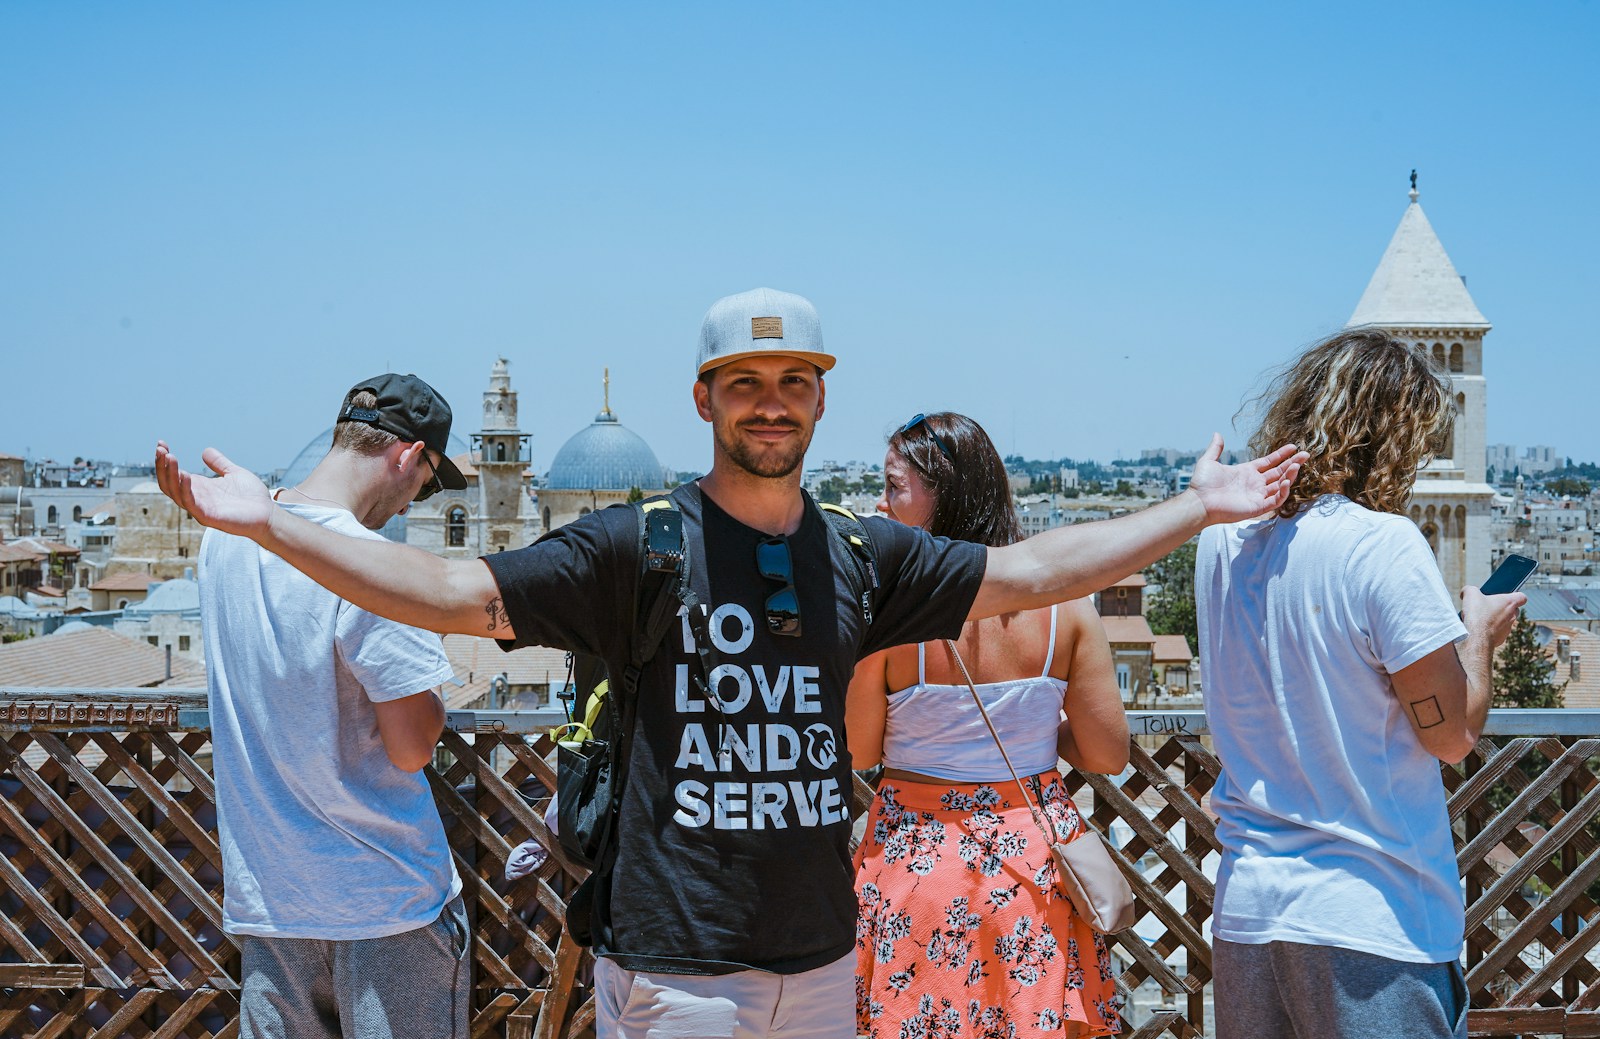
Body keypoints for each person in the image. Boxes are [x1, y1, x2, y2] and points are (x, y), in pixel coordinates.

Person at [156, 287, 1305, 1039]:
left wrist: (1190, 510)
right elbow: (455, 592)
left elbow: (1039, 568)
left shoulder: (858, 552)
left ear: (818, 400)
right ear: (704, 399)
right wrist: (272, 526)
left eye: (793, 382)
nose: (771, 403)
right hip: (676, 966)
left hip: (816, 962)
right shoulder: (634, 543)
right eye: (746, 383)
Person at [1196, 328, 1525, 1039]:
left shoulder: (1220, 541)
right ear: (1396, 437)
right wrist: (1477, 633)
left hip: (1251, 909)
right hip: (1372, 919)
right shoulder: (1383, 543)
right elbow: (1451, 734)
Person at [200, 373, 472, 1039]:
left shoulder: (225, 543)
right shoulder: (374, 565)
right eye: (427, 481)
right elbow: (411, 745)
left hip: (273, 904)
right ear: (407, 456)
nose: (416, 499)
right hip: (386, 905)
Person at [848, 411, 1127, 1039]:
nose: (879, 502)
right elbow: (1107, 754)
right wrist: (1036, 730)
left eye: (894, 487)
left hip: (918, 860)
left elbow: (860, 748)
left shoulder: (889, 624)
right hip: (1036, 861)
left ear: (941, 496)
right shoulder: (1067, 611)